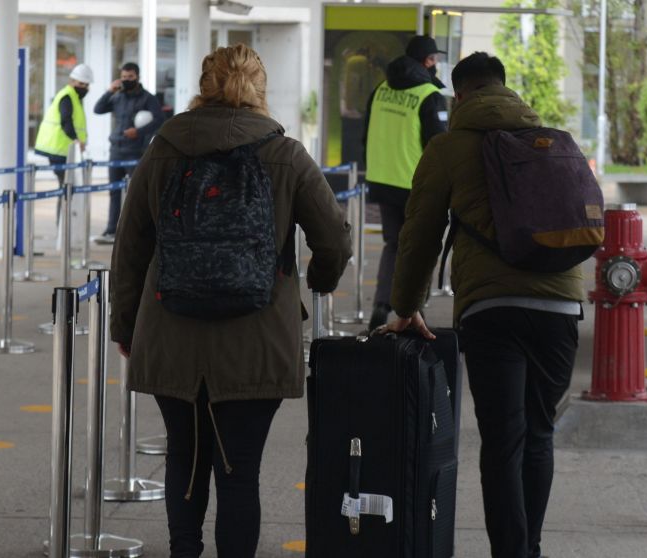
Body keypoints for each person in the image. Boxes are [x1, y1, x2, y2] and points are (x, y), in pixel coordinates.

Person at [110, 44, 352, 558]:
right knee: (240, 471)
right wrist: (319, 279)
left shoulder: (164, 147)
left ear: (205, 85)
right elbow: (334, 238)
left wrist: (125, 326)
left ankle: (183, 551)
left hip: (170, 330)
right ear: (259, 87)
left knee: (185, 459)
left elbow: (130, 245)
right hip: (257, 336)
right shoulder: (284, 153)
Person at [382, 52, 584, 558]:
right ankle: (529, 549)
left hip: (492, 310)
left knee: (502, 442)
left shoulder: (448, 148)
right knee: (538, 434)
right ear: (506, 89)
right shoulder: (551, 140)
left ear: (460, 96)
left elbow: (419, 236)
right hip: (560, 305)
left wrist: (406, 304)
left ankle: (511, 553)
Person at [363, 35, 449, 330]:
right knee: (420, 248)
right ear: (427, 61)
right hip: (415, 184)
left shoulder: (380, 89)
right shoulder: (429, 94)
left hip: (383, 180)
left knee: (392, 245)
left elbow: (366, 134)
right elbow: (439, 145)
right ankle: (414, 310)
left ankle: (381, 305)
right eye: (434, 59)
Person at [93, 61, 165, 244]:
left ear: (137, 77)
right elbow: (98, 109)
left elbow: (159, 120)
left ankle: (136, 231)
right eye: (124, 77)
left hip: (135, 152)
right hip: (116, 151)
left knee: (136, 194)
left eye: (130, 77)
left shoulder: (147, 98)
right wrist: (110, 90)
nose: (126, 80)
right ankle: (111, 230)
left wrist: (138, 132)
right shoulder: (117, 96)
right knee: (114, 192)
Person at [34, 63, 94, 187]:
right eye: (81, 84)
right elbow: (66, 121)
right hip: (59, 150)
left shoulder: (74, 97)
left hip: (65, 150)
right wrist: (77, 140)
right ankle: (65, 207)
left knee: (67, 187)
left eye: (86, 85)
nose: (84, 87)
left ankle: (66, 207)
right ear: (72, 81)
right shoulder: (67, 96)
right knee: (67, 187)